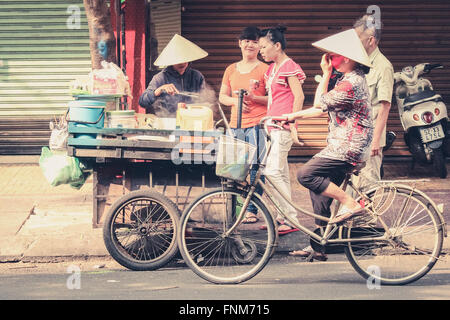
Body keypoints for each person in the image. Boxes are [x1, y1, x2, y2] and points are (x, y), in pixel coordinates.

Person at [283, 29, 373, 260]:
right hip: (342, 144)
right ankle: (319, 246)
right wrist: (290, 117)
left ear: (346, 58)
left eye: (332, 56)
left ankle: (350, 203)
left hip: (348, 146)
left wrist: (324, 74)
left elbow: (318, 104)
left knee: (305, 175)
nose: (330, 60)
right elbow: (319, 107)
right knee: (319, 191)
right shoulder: (347, 80)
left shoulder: (351, 83)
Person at [259, 25, 306, 234]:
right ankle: (282, 217)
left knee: (272, 172)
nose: (260, 50)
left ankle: (290, 218)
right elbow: (274, 98)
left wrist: (293, 123)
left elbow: (300, 96)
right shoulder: (272, 68)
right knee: (282, 174)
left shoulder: (289, 66)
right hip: (272, 126)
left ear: (277, 45)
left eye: (263, 46)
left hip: (282, 127)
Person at [219, 26, 269, 224]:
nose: (250, 44)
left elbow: (274, 98)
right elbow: (223, 96)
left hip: (258, 125)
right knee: (234, 168)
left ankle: (252, 209)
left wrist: (255, 98)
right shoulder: (231, 69)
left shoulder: (265, 70)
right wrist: (235, 102)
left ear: (260, 45)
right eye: (246, 40)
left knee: (256, 169)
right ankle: (235, 207)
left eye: (255, 41)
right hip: (235, 125)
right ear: (239, 43)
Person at [352, 14, 394, 191]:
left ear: (371, 40)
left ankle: (369, 220)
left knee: (368, 186)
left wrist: (376, 140)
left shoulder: (383, 66)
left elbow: (385, 106)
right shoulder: (359, 62)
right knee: (353, 187)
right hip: (355, 136)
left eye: (358, 38)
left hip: (371, 138)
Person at [139, 34, 208, 117]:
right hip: (167, 122)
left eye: (185, 59)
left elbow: (205, 100)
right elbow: (143, 102)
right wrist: (159, 90)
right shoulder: (160, 78)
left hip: (191, 120)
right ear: (171, 60)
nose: (182, 63)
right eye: (178, 60)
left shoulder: (197, 76)